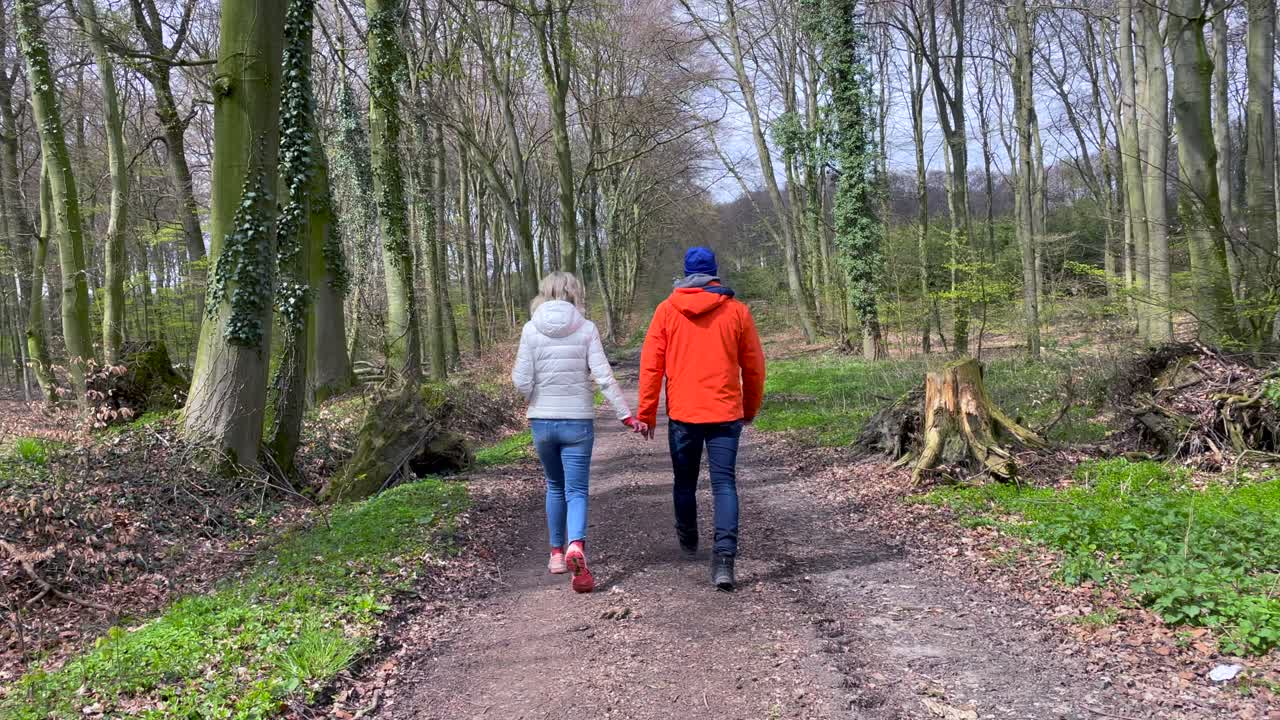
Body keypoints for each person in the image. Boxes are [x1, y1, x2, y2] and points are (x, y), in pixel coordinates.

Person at [637, 247, 765, 591]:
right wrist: (749, 408)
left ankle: (688, 536)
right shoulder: (737, 312)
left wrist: (647, 412)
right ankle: (724, 560)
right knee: (724, 483)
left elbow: (651, 366)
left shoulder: (666, 311)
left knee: (684, 481)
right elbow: (753, 368)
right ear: (714, 272)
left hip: (684, 414)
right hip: (725, 413)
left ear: (685, 274)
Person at [512, 271, 648, 593]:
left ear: (544, 293)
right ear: (575, 293)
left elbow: (520, 380)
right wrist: (625, 416)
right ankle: (576, 547)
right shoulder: (586, 328)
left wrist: (534, 396)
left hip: (542, 422)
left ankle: (557, 555)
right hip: (578, 421)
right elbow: (603, 377)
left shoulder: (530, 330)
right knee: (576, 491)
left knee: (554, 486)